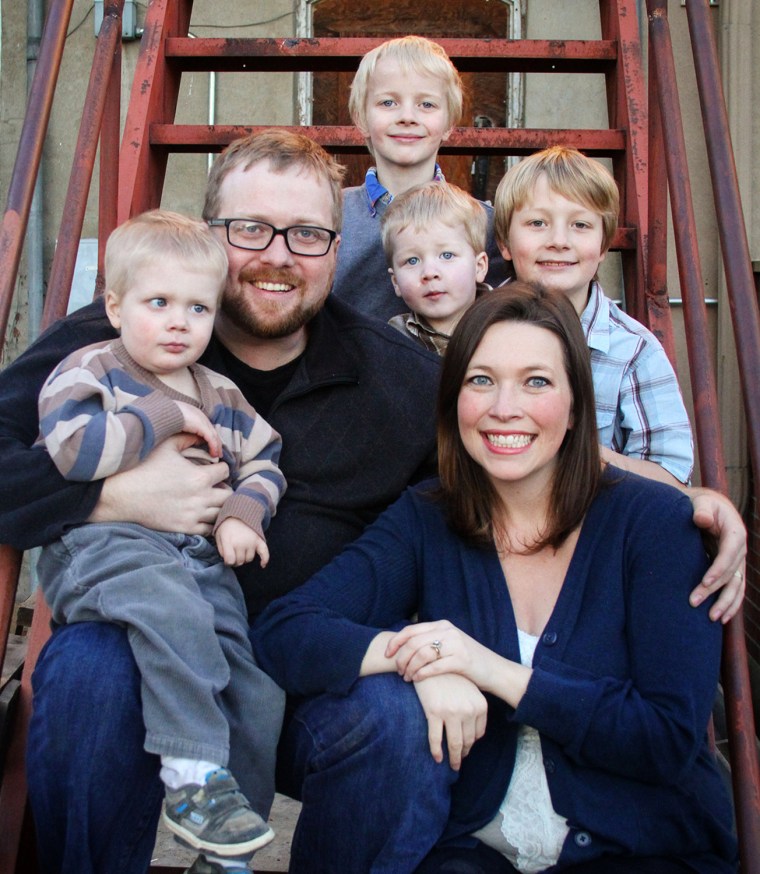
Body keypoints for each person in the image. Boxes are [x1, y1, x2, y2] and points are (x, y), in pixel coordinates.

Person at [0, 129, 441, 874]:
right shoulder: (120, 340)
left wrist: (679, 496)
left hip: (309, 672)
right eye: (249, 229)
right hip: (142, 652)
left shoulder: (400, 379)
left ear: (336, 248)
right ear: (210, 235)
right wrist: (110, 498)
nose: (277, 255)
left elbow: (497, 482)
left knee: (399, 718)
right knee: (85, 675)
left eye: (306, 233)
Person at [251, 283, 738, 873]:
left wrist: (488, 669)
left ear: (576, 405)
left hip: (641, 847)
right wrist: (419, 658)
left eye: (536, 381)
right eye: (481, 380)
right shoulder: (428, 517)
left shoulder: (655, 526)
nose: (505, 407)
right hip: (469, 850)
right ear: (454, 399)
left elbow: (664, 737)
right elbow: (285, 631)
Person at [34, 210, 288, 859]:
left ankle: (228, 841)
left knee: (253, 689)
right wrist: (163, 411)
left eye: (198, 308)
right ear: (116, 307)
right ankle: (192, 775)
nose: (180, 321)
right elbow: (73, 452)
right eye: (159, 302)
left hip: (199, 559)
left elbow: (264, 459)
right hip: (106, 549)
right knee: (171, 611)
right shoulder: (89, 370)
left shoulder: (221, 391)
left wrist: (241, 513)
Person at [493, 145, 693, 487]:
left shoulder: (633, 350)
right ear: (504, 243)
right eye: (537, 222)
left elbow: (671, 475)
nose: (558, 240)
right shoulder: (475, 330)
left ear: (602, 247)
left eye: (580, 224)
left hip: (593, 522)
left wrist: (583, 456)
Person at [331, 34, 509, 322]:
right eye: (388, 103)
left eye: (426, 105)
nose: (407, 117)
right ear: (361, 118)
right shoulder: (331, 215)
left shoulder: (484, 223)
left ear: (450, 123)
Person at [383, 181, 490, 355]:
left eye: (446, 256)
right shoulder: (390, 341)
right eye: (412, 261)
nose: (429, 273)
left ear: (479, 266)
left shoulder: (507, 326)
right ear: (395, 282)